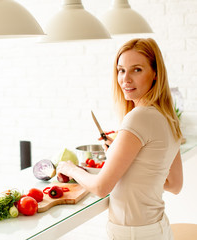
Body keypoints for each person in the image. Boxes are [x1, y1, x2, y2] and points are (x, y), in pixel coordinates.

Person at [57, 38, 183, 240]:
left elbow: (101, 188)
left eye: (137, 70)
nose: (125, 79)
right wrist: (122, 155)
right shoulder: (169, 118)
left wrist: (71, 168)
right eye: (121, 70)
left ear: (155, 74)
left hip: (135, 234)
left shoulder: (139, 117)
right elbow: (174, 184)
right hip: (158, 229)